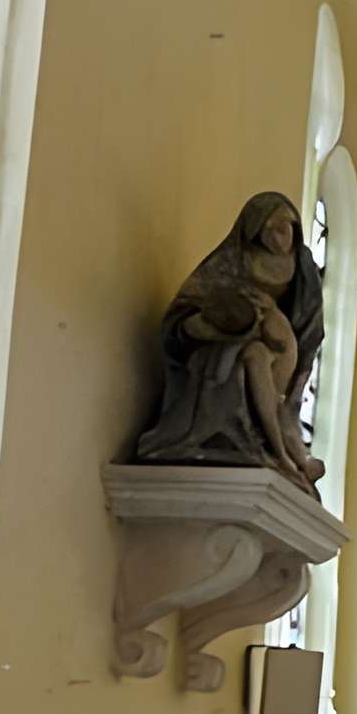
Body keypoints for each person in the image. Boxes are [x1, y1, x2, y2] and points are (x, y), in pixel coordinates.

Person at [134, 191, 325, 492]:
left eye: (285, 227)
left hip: (282, 347)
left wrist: (297, 390)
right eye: (271, 229)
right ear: (256, 231)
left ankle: (289, 454)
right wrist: (221, 322)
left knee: (262, 369)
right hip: (237, 342)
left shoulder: (301, 267)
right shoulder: (232, 261)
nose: (280, 237)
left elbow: (310, 327)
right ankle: (280, 454)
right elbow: (186, 313)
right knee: (250, 357)